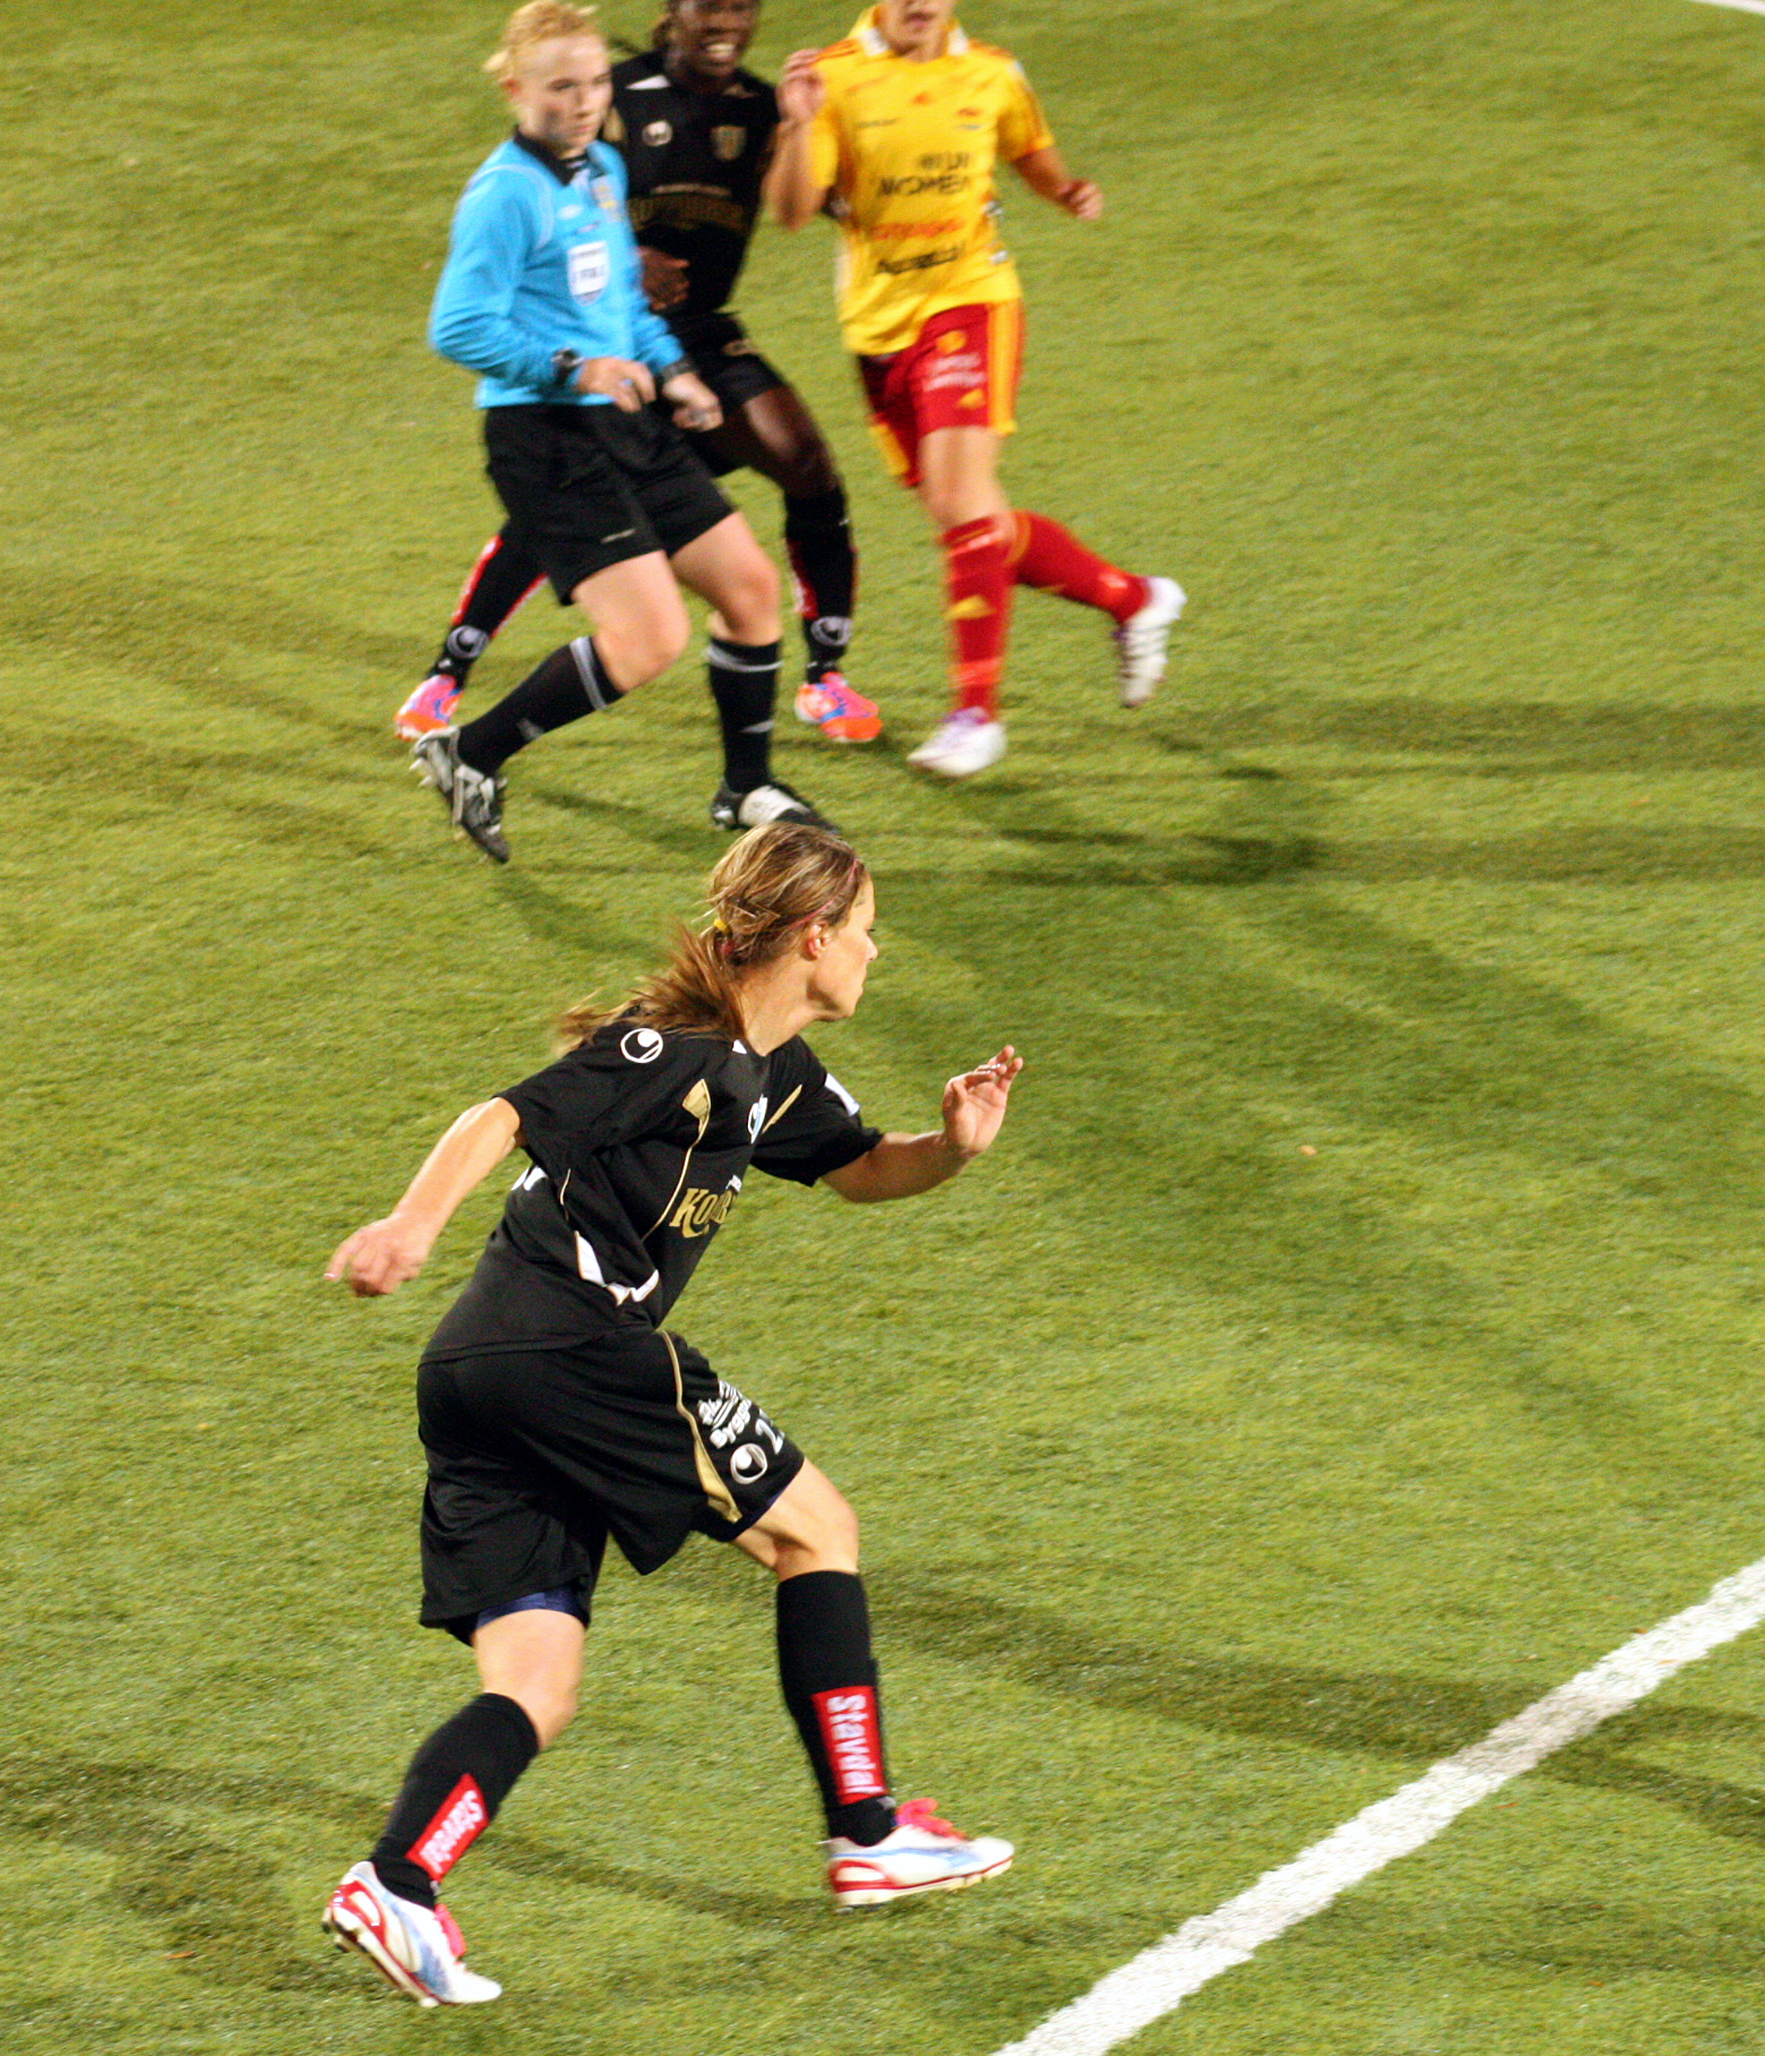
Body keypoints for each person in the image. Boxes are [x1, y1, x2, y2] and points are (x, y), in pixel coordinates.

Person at [316, 821, 1023, 2006]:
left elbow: (860, 1167)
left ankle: (398, 1884)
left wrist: (951, 1149)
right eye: (864, 929)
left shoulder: (774, 1073)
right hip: (571, 1346)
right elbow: (504, 1114)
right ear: (813, 936)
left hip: (482, 1375)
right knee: (818, 1530)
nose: (875, 950)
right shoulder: (674, 1050)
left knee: (534, 1686)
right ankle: (867, 1831)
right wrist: (410, 1224)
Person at [398, 0, 885, 753]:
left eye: (742, 6)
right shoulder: (559, 144)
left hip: (675, 342)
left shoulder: (719, 120)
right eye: (710, 5)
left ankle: (809, 697)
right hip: (571, 373)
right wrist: (588, 344)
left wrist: (799, 127)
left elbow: (785, 215)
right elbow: (471, 312)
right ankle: (454, 678)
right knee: (586, 542)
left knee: (799, 474)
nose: (726, 21)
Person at [763, 0, 1186, 780]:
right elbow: (790, 213)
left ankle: (976, 717)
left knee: (962, 507)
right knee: (974, 524)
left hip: (973, 302)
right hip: (878, 330)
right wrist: (796, 125)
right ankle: (1134, 600)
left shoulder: (991, 71)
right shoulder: (832, 77)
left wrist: (1064, 191)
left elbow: (1029, 148)